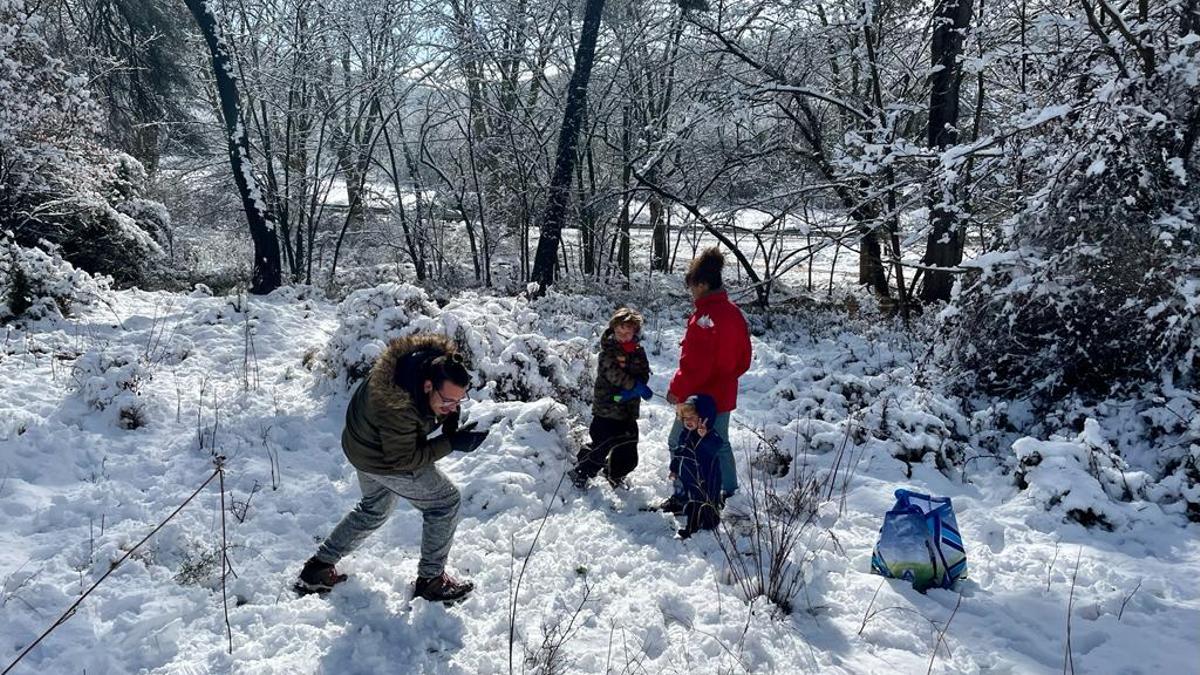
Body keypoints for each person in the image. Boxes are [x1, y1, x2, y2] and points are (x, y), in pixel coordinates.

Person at [295, 334, 489, 604]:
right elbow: (404, 459)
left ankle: (317, 569)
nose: (452, 408)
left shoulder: (427, 366)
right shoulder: (396, 405)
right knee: (445, 502)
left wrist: (449, 417)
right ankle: (431, 582)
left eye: (458, 402)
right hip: (379, 455)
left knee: (375, 507)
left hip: (362, 443)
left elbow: (433, 409)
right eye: (447, 402)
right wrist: (451, 442)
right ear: (427, 386)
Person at [662, 247, 751, 509]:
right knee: (720, 443)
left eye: (692, 287)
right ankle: (730, 494)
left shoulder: (705, 318)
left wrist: (677, 390)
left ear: (701, 284)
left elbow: (693, 364)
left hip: (697, 397)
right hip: (723, 395)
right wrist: (726, 378)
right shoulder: (734, 313)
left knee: (677, 441)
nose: (691, 293)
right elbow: (744, 358)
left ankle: (683, 494)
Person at [569, 308, 652, 489]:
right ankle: (581, 471)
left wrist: (641, 385)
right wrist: (633, 386)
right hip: (607, 408)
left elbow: (644, 372)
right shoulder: (607, 352)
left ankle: (615, 473)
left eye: (627, 332)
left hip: (628, 410)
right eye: (619, 331)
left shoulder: (638, 352)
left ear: (635, 332)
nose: (623, 336)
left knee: (629, 446)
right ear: (613, 330)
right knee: (602, 444)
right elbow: (614, 375)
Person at [669, 394, 723, 539]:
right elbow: (679, 452)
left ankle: (694, 527)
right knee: (692, 501)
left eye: (692, 417)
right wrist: (674, 469)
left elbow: (716, 446)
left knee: (703, 502)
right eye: (685, 419)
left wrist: (705, 436)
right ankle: (695, 523)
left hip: (705, 478)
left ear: (703, 417)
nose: (688, 422)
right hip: (689, 477)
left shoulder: (710, 435)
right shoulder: (685, 434)